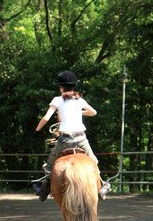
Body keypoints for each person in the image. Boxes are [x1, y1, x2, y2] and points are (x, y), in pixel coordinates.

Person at [32, 70, 109, 201]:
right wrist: (80, 112)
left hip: (64, 141)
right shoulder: (80, 100)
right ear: (74, 86)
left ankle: (44, 189)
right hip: (81, 140)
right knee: (94, 162)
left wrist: (37, 131)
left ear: (61, 87)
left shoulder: (57, 100)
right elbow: (94, 112)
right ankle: (102, 186)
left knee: (49, 166)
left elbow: (46, 118)